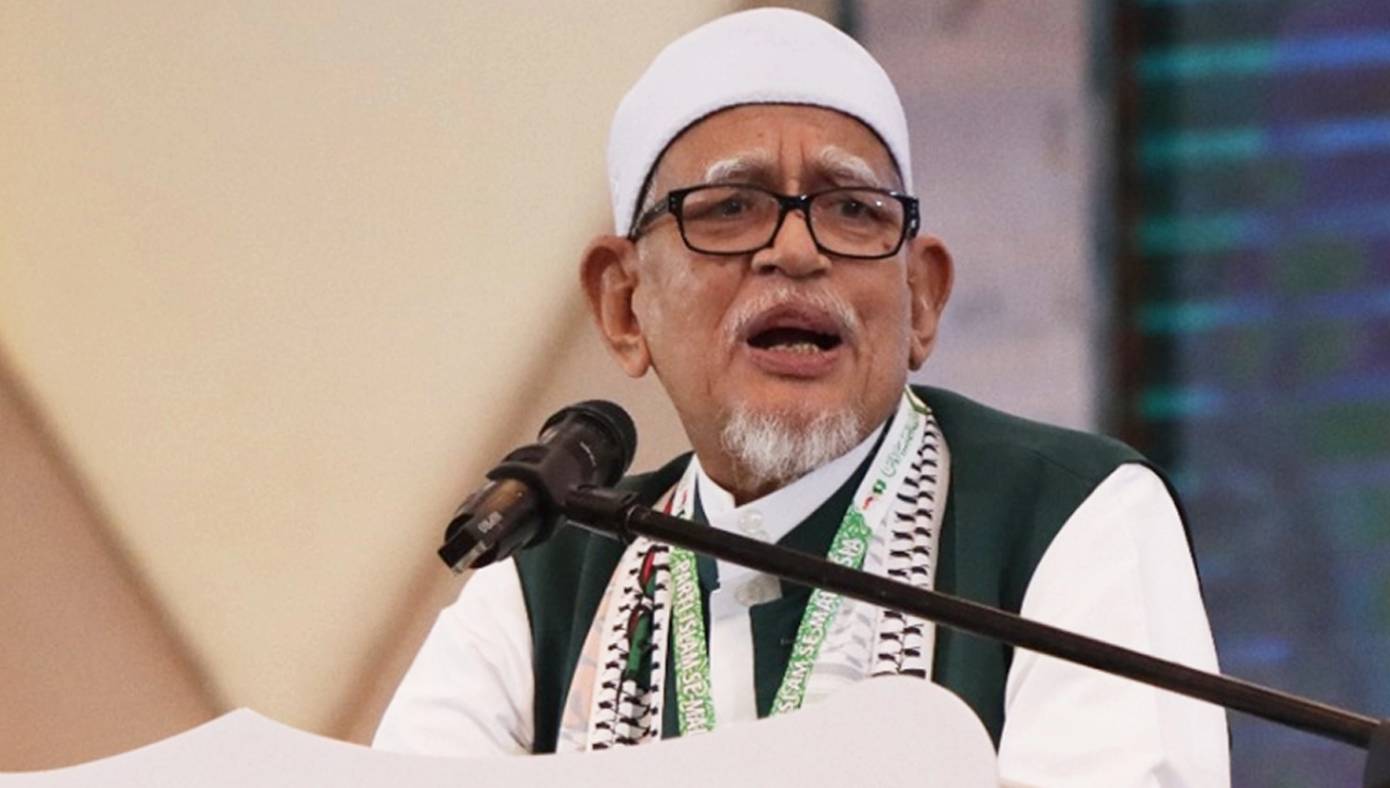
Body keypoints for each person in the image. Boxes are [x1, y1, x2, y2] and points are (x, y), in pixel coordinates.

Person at [374, 8, 1230, 785]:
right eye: (729, 208)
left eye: (852, 210)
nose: (794, 251)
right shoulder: (543, 582)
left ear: (921, 298)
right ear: (624, 304)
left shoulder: (1071, 516)